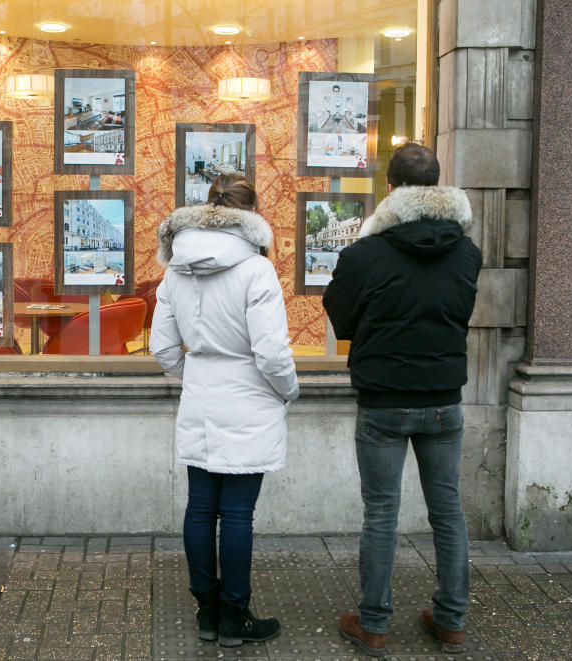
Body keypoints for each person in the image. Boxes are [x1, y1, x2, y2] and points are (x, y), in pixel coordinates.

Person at [322, 143, 481, 657]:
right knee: (448, 512)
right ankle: (451, 621)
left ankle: (373, 624)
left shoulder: (363, 254)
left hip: (383, 401)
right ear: (437, 188)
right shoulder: (467, 252)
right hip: (443, 400)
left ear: (389, 189)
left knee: (382, 514)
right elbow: (458, 316)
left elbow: (342, 321)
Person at [150, 173, 299, 648]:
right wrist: (288, 391)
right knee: (237, 514)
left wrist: (194, 373)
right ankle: (235, 615)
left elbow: (162, 348)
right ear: (250, 215)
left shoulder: (177, 268)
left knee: (199, 507)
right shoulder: (256, 270)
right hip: (251, 396)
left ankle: (207, 614)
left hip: (201, 392)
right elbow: (272, 354)